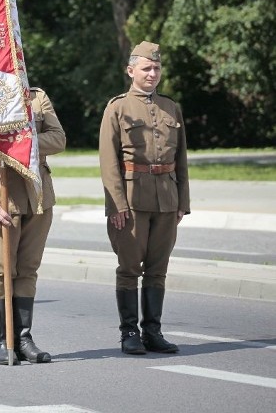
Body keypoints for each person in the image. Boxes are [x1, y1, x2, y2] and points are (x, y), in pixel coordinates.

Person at [0, 88, 66, 364]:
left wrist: (22, 141)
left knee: (28, 269)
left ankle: (24, 338)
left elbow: (58, 139)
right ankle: (2, 342)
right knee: (2, 270)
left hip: (37, 196)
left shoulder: (38, 98)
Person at [99, 41, 190, 355]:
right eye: (146, 68)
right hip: (132, 200)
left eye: (156, 68)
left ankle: (153, 332)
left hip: (166, 199)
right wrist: (117, 205)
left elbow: (181, 159)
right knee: (128, 268)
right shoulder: (118, 107)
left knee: (158, 268)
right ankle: (129, 333)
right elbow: (108, 161)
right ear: (131, 71)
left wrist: (183, 202)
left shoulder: (171, 107)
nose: (152, 74)